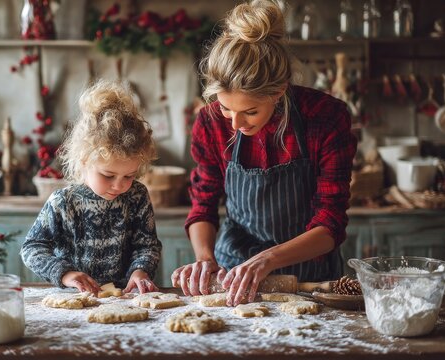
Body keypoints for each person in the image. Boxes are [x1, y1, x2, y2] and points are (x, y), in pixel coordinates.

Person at [171, 0, 357, 306]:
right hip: (233, 276)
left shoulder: (325, 118)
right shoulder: (210, 121)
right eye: (226, 108)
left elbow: (331, 222)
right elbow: (203, 204)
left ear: (279, 90)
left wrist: (267, 259)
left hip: (309, 278)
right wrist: (205, 259)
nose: (235, 122)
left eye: (250, 111)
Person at [21, 80, 162, 295]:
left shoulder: (137, 196)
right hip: (74, 299)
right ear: (84, 160)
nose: (119, 185)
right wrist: (65, 274)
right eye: (108, 175)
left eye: (129, 175)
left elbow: (147, 245)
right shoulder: (63, 202)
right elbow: (32, 248)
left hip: (123, 298)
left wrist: (140, 271)